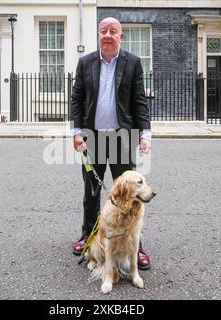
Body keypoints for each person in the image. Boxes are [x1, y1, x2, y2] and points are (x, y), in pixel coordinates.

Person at [70, 17, 152, 270]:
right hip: (92, 137)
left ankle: (135, 244)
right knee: (92, 191)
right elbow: (78, 98)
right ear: (98, 35)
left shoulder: (132, 63)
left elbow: (139, 100)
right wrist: (76, 131)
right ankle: (89, 234)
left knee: (128, 194)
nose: (107, 34)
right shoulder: (86, 63)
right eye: (103, 31)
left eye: (112, 31)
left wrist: (144, 134)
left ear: (120, 37)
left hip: (122, 137)